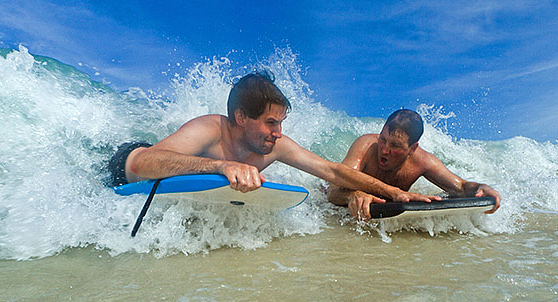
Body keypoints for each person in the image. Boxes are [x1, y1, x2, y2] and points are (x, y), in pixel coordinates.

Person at [103, 72, 435, 205]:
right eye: (271, 122)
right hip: (123, 163)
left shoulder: (276, 147)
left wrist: (393, 192)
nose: (278, 133)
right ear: (241, 118)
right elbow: (142, 163)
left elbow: (333, 172)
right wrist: (221, 166)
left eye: (281, 123)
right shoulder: (209, 129)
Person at [325, 109, 501, 220]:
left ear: (412, 149)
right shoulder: (366, 146)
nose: (384, 150)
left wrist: (481, 187)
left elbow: (460, 187)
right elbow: (333, 188)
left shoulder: (423, 161)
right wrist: (353, 194)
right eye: (383, 140)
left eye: (395, 145)